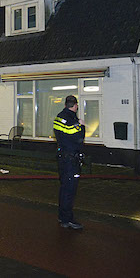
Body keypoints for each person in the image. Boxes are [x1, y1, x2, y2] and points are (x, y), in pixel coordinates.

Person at [53, 95, 85, 230]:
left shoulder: (59, 117)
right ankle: (67, 219)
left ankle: (62, 215)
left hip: (63, 158)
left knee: (64, 188)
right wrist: (81, 126)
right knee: (69, 190)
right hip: (70, 159)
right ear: (75, 105)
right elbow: (76, 135)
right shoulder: (71, 119)